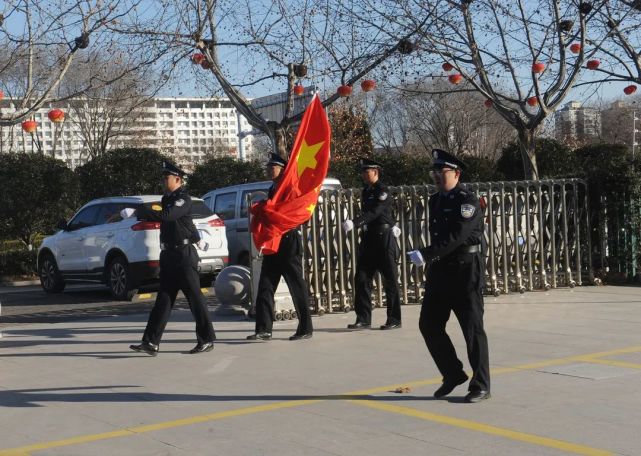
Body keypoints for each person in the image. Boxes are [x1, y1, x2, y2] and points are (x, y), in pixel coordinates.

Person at [408, 149, 491, 403]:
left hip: (466, 269)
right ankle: (453, 373)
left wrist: (426, 253)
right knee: (429, 324)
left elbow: (456, 236)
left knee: (472, 328)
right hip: (441, 270)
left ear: (456, 173)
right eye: (434, 172)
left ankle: (481, 385)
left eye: (441, 172)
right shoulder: (436, 200)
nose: (436, 176)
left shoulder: (468, 201)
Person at [126, 161, 216, 356]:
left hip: (183, 254)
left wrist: (139, 211)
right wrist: (197, 238)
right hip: (168, 254)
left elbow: (168, 216)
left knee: (194, 298)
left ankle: (207, 338)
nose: (163, 180)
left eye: (166, 177)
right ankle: (151, 342)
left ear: (178, 179)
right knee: (163, 300)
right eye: (163, 177)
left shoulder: (183, 198)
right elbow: (186, 222)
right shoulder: (166, 198)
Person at [246, 153, 313, 341]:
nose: (269, 170)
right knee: (265, 286)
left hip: (288, 241)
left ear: (283, 169)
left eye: (272, 167)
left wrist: (267, 208)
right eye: (268, 167)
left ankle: (306, 327)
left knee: (296, 287)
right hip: (274, 242)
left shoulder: (289, 188)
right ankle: (263, 329)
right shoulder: (273, 187)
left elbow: (287, 211)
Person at [343, 158, 401, 330]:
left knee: (390, 279)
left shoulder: (382, 190)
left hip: (383, 238)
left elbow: (377, 211)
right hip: (369, 238)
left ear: (375, 172)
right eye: (362, 171)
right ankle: (363, 318)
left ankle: (394, 318)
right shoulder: (366, 191)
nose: (363, 174)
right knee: (361, 278)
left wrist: (355, 222)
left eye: (366, 171)